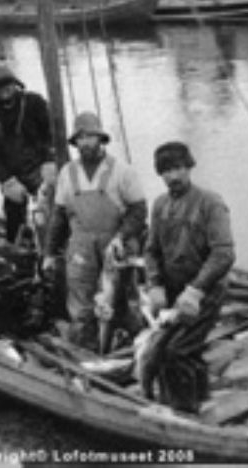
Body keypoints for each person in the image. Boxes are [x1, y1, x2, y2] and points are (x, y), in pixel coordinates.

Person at [141, 141, 235, 412]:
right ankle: (199, 397)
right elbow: (151, 251)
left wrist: (195, 290)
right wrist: (155, 283)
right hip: (172, 293)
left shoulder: (210, 203)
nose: (173, 176)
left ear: (189, 168)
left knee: (176, 351)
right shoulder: (160, 206)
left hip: (206, 293)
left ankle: (183, 412)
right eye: (166, 171)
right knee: (168, 351)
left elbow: (224, 254)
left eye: (178, 168)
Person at [43, 112, 147, 351]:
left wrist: (122, 237)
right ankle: (86, 350)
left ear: (101, 139)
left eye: (91, 136)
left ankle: (131, 347)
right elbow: (59, 216)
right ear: (75, 142)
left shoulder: (122, 171)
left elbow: (139, 211)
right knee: (81, 305)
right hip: (81, 247)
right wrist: (49, 253)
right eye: (81, 137)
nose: (86, 142)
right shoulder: (67, 173)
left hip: (116, 246)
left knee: (125, 300)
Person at [0, 64, 56, 243]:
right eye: (0, 87)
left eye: (8, 85)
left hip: (40, 170)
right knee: (14, 219)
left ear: (16, 85)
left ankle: (52, 249)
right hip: (12, 176)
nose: (5, 90)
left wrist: (49, 161)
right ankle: (18, 251)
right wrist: (6, 179)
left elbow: (51, 133)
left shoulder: (35, 103)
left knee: (50, 215)